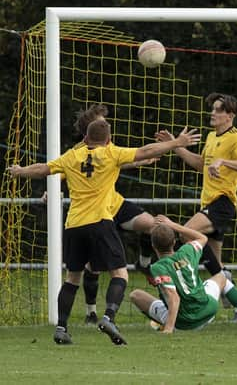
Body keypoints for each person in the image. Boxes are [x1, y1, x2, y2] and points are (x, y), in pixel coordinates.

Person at [7, 120, 201, 345]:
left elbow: (43, 169)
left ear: (86, 139)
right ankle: (108, 317)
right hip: (100, 222)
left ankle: (61, 327)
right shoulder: (111, 153)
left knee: (72, 278)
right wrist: (178, 142)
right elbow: (146, 151)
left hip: (74, 226)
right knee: (120, 274)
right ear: (108, 139)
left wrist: (20, 171)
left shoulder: (72, 156)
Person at [71, 104, 158, 325]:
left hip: (116, 205)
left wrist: (140, 161)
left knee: (154, 225)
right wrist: (48, 191)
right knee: (93, 267)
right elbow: (63, 173)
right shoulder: (76, 154)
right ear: (89, 128)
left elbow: (115, 162)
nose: (107, 126)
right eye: (102, 122)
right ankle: (91, 312)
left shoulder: (107, 146)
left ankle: (144, 262)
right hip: (95, 215)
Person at [155, 93, 237, 280]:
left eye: (218, 110)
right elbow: (201, 164)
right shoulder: (211, 136)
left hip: (223, 202)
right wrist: (174, 145)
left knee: (187, 233)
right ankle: (231, 293)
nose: (212, 113)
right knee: (216, 262)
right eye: (212, 109)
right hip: (208, 204)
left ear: (230, 115)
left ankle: (189, 276)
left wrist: (223, 161)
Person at [129, 215, 237, 332]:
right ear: (174, 242)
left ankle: (163, 324)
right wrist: (174, 225)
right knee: (221, 277)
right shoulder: (187, 251)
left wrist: (169, 329)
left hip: (183, 324)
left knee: (136, 295)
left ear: (153, 246)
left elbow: (174, 298)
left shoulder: (157, 267)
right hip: (207, 312)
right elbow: (202, 238)